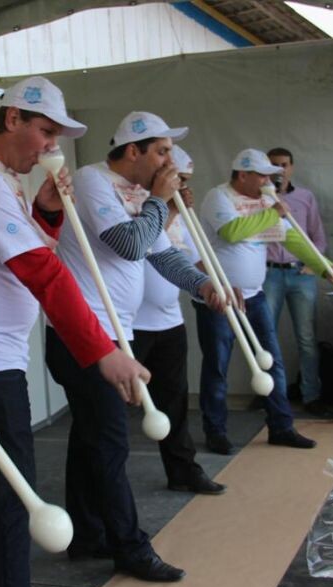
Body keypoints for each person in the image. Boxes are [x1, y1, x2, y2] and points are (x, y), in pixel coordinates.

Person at [0, 76, 151, 587]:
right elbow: (42, 272)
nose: (52, 147)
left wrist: (45, 211)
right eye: (46, 132)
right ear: (12, 120)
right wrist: (103, 352)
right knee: (7, 497)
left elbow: (14, 259)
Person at [47, 112, 228, 582]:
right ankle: (129, 545)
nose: (170, 161)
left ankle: (88, 534)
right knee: (109, 440)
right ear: (133, 151)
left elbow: (159, 252)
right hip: (85, 333)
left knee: (91, 438)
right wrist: (160, 203)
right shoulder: (91, 179)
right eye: (162, 151)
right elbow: (127, 243)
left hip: (113, 332)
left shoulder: (140, 196)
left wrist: (201, 283)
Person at [194, 148, 333, 455]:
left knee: (272, 361)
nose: (269, 180)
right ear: (242, 174)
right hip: (218, 298)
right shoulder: (219, 197)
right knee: (217, 366)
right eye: (263, 174)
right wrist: (273, 212)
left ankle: (281, 426)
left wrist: (325, 268)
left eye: (271, 175)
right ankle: (216, 431)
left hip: (255, 296)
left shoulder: (266, 201)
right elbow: (233, 231)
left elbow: (294, 241)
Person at [131, 144, 226, 496]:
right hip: (133, 322)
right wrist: (168, 209)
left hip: (169, 319)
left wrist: (213, 284)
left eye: (185, 181)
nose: (183, 188)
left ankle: (183, 469)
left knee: (174, 401)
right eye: (177, 179)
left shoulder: (184, 214)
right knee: (113, 411)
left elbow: (193, 259)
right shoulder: (138, 203)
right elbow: (140, 249)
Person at [264, 147, 333, 416]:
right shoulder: (259, 198)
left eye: (284, 165)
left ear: (292, 167)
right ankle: (273, 398)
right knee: (267, 336)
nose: (279, 170)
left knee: (307, 337)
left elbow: (317, 237)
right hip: (269, 273)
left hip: (300, 274)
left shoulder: (304, 197)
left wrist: (313, 264)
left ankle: (312, 395)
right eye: (273, 165)